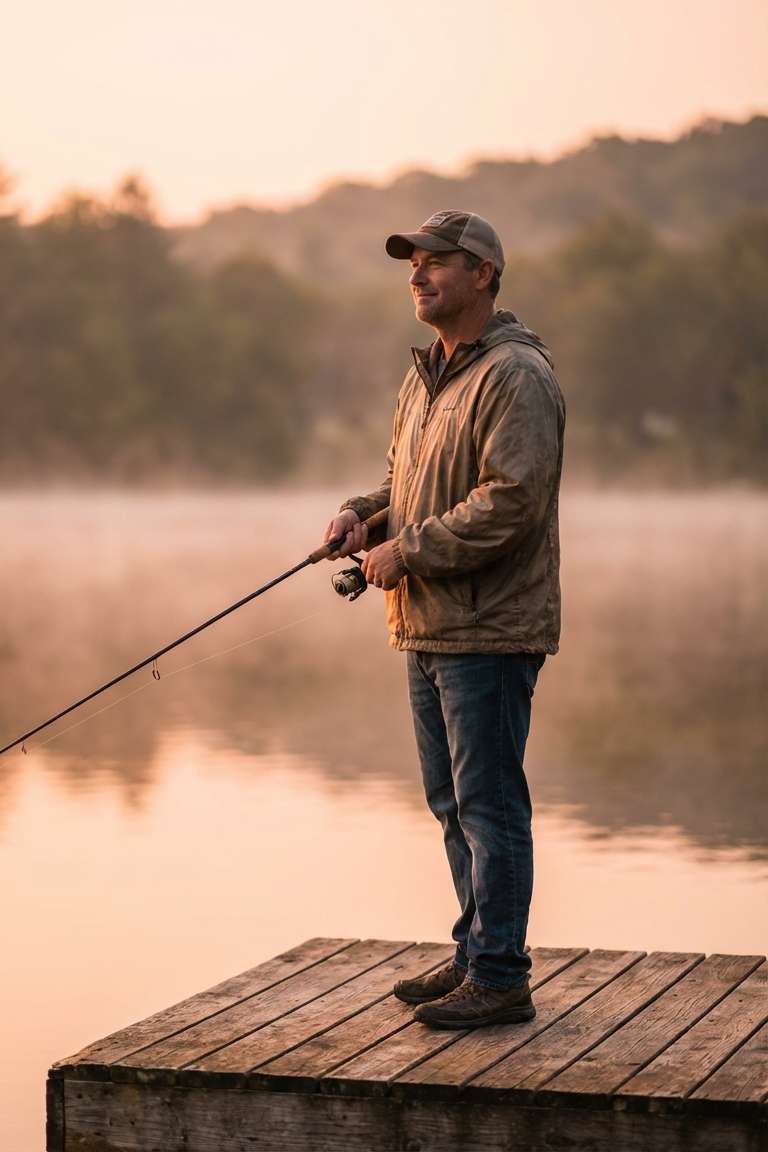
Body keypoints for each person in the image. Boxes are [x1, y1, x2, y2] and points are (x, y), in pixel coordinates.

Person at [324, 210, 565, 1030]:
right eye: (412, 263)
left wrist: (410, 551)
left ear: (484, 273)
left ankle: (500, 976)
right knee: (453, 806)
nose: (417, 275)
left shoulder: (515, 374)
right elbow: (409, 487)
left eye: (436, 261)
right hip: (428, 625)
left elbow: (512, 502)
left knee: (490, 808)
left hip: (488, 629)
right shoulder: (426, 376)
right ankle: (474, 955)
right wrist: (364, 519)